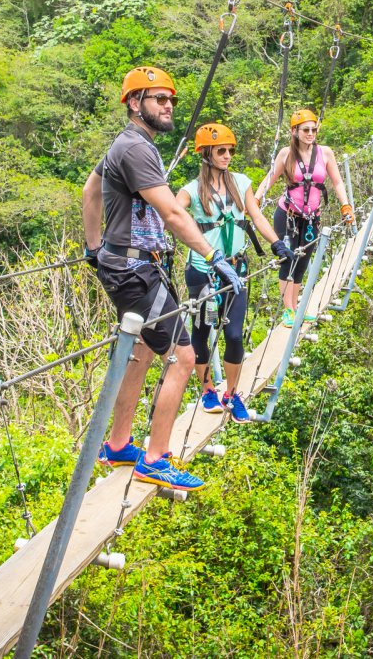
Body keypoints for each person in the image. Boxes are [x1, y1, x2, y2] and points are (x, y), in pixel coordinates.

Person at [82, 66, 243, 492]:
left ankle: (117, 445)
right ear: (135, 104)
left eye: (170, 99)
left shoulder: (129, 145)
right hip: (137, 271)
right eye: (158, 99)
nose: (168, 106)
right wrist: (214, 255)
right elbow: (172, 213)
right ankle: (155, 459)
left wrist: (95, 247)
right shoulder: (135, 148)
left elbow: (90, 190)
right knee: (184, 358)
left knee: (141, 350)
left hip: (128, 265)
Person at [176, 123, 295, 423]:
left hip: (236, 269)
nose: (228, 155)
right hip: (203, 272)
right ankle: (206, 390)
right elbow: (174, 216)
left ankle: (232, 392)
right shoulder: (190, 190)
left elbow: (255, 215)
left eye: (230, 150)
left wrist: (277, 243)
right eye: (221, 151)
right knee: (201, 333)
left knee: (234, 335)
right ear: (205, 154)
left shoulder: (241, 182)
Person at [255, 109, 353, 327]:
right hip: (287, 214)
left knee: (302, 262)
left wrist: (345, 205)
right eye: (306, 130)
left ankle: (295, 307)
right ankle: (288, 310)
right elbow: (269, 179)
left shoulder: (325, 153)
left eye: (313, 129)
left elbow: (337, 182)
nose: (311, 133)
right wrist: (256, 199)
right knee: (287, 258)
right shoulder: (285, 154)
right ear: (295, 131)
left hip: (311, 218)